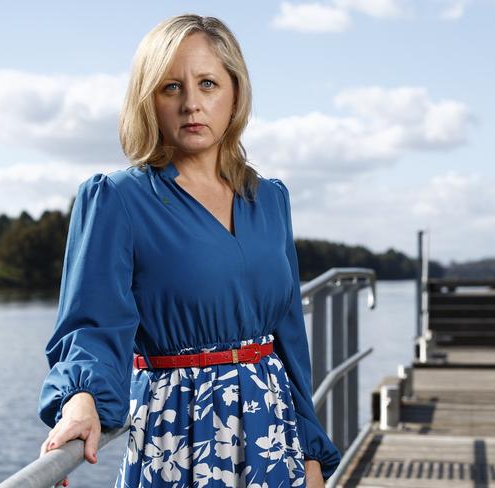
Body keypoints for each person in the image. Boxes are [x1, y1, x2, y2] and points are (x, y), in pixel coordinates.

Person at [38, 13, 341, 488]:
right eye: (171, 88)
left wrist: (310, 452)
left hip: (273, 433)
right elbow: (92, 325)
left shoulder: (270, 199)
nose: (192, 105)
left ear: (235, 93)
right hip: (178, 433)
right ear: (149, 100)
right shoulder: (118, 200)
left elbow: (289, 339)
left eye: (208, 84)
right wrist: (80, 400)